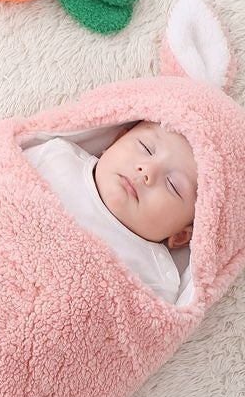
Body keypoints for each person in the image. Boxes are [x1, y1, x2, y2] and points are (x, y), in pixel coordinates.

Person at [23, 119, 198, 304]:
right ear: (116, 140)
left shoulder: (156, 280)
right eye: (146, 148)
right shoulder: (56, 158)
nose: (147, 170)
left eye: (172, 185)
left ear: (180, 236)